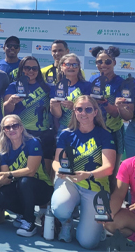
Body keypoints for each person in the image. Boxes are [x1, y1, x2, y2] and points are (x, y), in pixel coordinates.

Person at [51, 96, 116, 249]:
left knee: (88, 243)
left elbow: (109, 167)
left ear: (95, 112)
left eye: (88, 109)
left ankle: (94, 226)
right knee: (60, 208)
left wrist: (88, 174)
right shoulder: (66, 134)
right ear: (74, 112)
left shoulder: (105, 135)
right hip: (71, 182)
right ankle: (66, 223)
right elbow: (56, 161)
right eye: (79, 109)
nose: (83, 113)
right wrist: (59, 170)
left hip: (95, 185)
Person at [0, 115, 54, 237]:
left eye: (15, 126)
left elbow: (31, 170)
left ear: (21, 128)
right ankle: (24, 214)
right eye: (7, 127)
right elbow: (7, 180)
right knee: (0, 197)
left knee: (25, 181)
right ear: (3, 131)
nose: (11, 129)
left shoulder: (32, 143)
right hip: (21, 187)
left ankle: (29, 222)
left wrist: (8, 174)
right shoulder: (3, 150)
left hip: (42, 188)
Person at [3, 56, 55, 176]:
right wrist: (11, 101)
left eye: (34, 68)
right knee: (24, 170)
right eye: (27, 68)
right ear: (21, 69)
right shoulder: (13, 86)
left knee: (45, 172)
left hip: (44, 132)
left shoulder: (47, 87)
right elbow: (6, 111)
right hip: (22, 133)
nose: (31, 71)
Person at [88, 46, 125, 165]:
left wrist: (104, 104)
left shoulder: (121, 82)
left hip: (113, 131)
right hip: (94, 129)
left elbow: (115, 113)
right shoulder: (93, 79)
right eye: (99, 61)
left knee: (112, 172)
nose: (103, 64)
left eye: (107, 61)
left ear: (114, 62)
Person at [49, 53, 92, 133]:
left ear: (79, 68)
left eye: (75, 65)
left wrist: (74, 106)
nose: (71, 67)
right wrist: (54, 106)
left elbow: (92, 109)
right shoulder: (55, 88)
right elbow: (57, 115)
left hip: (83, 127)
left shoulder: (87, 86)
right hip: (64, 128)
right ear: (61, 67)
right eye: (67, 64)